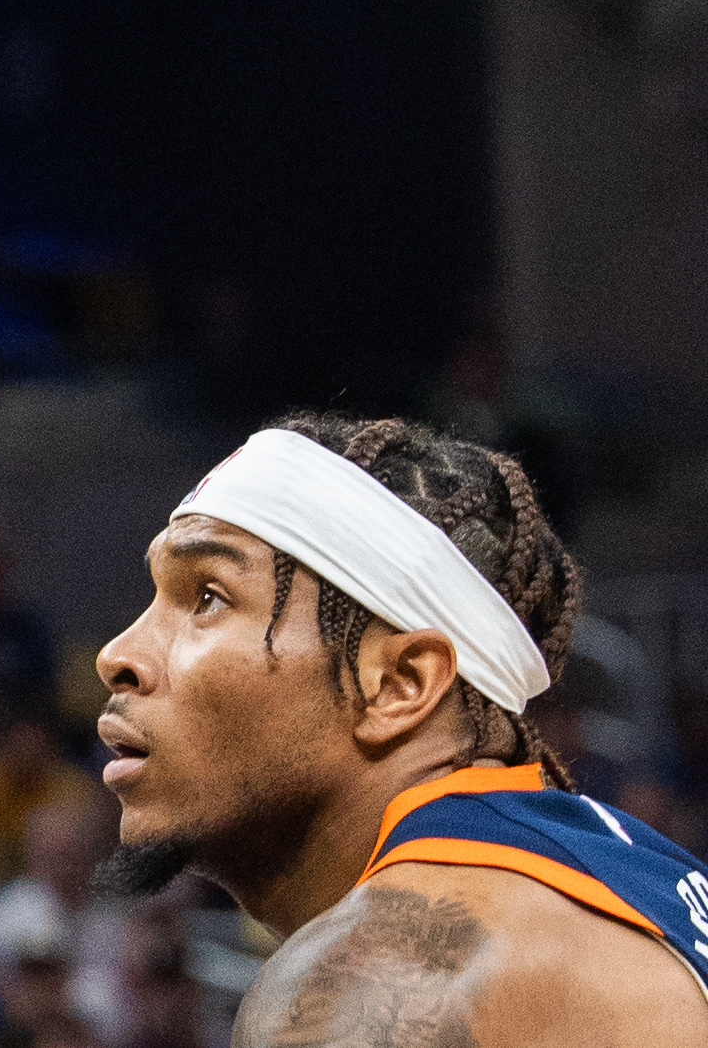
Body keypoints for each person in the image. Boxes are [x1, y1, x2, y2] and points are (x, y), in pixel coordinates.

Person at [93, 411, 708, 1039]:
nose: (117, 655)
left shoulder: (382, 977)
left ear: (399, 685)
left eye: (207, 597)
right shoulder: (640, 878)